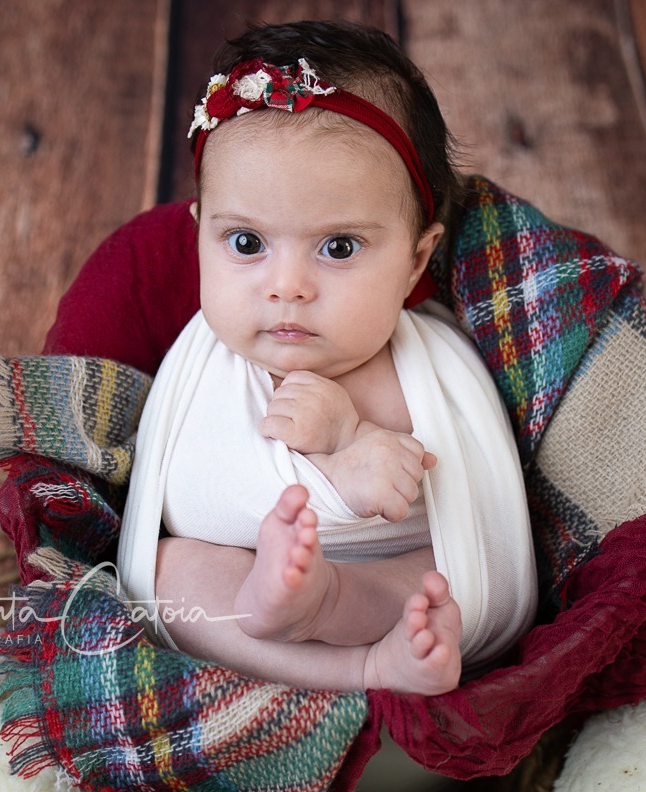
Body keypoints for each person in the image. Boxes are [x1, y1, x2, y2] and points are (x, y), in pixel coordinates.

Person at [116, 21, 536, 695]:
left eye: (338, 247)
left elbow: (481, 518)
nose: (287, 286)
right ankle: (355, 671)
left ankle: (349, 620)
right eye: (247, 243)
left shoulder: (425, 367)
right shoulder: (206, 365)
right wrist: (336, 481)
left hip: (391, 592)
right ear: (198, 237)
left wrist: (357, 437)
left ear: (414, 260)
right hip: (253, 609)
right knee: (167, 579)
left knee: (442, 582)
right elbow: (189, 497)